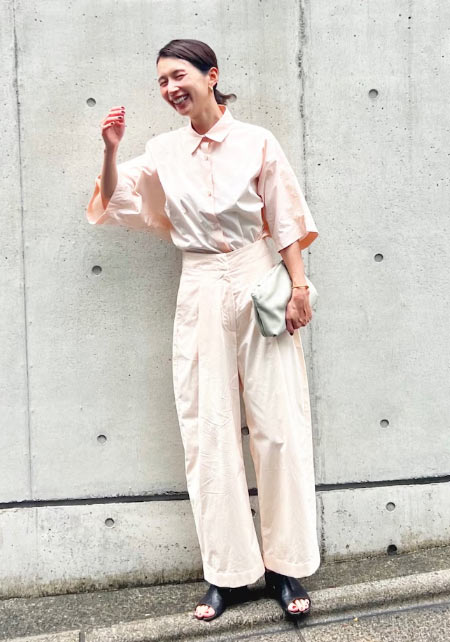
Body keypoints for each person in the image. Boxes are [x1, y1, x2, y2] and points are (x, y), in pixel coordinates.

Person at [86, 38, 320, 622]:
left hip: (257, 275)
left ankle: (285, 567)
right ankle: (226, 573)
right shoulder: (162, 151)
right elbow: (114, 199)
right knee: (207, 429)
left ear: (211, 76)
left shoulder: (257, 141)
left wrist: (298, 287)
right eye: (161, 81)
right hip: (199, 284)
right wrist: (112, 151)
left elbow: (285, 218)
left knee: (279, 425)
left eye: (178, 75)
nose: (170, 88)